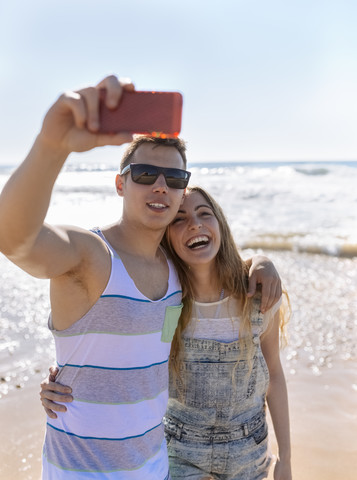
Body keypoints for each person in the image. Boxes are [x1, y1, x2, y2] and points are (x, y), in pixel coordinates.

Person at [0, 75, 282, 480]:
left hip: (157, 469)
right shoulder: (90, 256)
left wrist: (262, 260)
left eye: (174, 179)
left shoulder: (174, 273)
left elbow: (212, 263)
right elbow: (15, 239)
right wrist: (52, 145)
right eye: (145, 174)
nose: (161, 187)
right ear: (120, 183)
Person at [41, 187, 291, 479]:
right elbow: (128, 359)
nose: (194, 224)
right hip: (180, 452)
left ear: (220, 225)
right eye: (179, 219)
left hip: (250, 451)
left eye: (204, 214)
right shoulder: (168, 303)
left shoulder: (257, 297)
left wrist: (285, 458)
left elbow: (274, 373)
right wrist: (64, 376)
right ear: (167, 238)